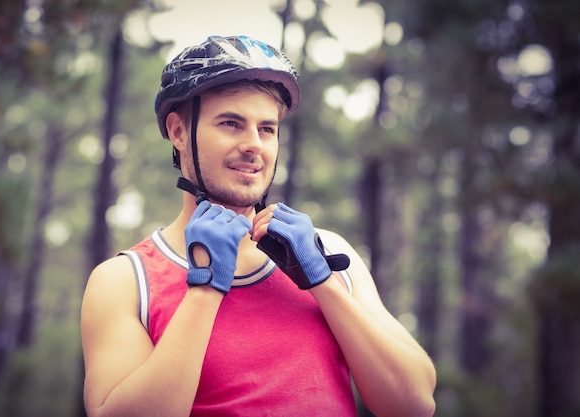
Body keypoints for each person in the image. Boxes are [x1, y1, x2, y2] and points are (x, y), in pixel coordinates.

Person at [80, 35, 436, 417]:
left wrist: (322, 282)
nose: (255, 145)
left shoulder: (329, 252)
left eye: (267, 129)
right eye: (231, 123)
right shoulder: (125, 280)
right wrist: (204, 290)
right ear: (179, 132)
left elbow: (414, 406)